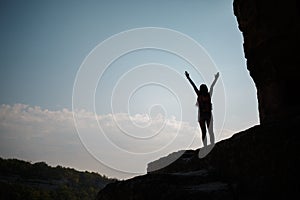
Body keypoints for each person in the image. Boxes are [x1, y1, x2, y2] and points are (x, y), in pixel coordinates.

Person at [185, 71, 219, 148]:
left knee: (207, 132)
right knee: (207, 131)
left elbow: (211, 87)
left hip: (204, 116)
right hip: (204, 116)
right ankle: (208, 145)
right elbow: (211, 86)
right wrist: (188, 78)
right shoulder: (206, 95)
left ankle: (208, 146)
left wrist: (188, 77)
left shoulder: (205, 95)